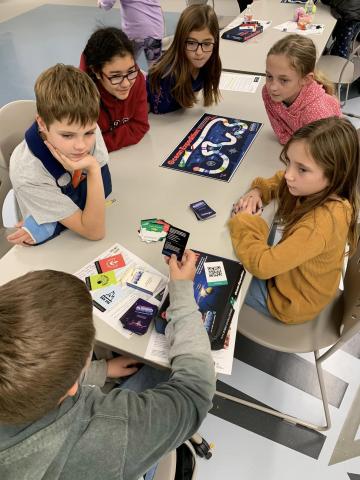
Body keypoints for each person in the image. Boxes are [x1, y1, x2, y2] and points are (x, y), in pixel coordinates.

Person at [0, 251, 216, 480]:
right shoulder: (111, 430)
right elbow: (196, 392)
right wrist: (182, 290)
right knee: (156, 371)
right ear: (72, 386)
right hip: (111, 456)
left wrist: (101, 370)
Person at [229, 117, 359, 324]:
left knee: (225, 274)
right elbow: (281, 178)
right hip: (297, 280)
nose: (289, 174)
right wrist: (258, 191)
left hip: (290, 302)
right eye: (289, 161)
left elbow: (262, 265)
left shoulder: (321, 224)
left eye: (302, 169)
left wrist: (244, 222)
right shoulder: (327, 190)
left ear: (336, 173)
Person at [7, 64, 112, 247]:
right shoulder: (27, 172)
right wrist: (93, 168)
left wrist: (91, 165)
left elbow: (104, 193)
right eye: (67, 135)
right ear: (41, 123)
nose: (81, 146)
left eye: (89, 133)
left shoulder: (85, 125)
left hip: (74, 227)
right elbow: (95, 231)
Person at [80, 27, 149, 153]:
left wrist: (100, 143)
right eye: (116, 76)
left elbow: (140, 126)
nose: (126, 83)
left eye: (130, 71)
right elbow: (81, 144)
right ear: (96, 72)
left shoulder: (137, 78)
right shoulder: (78, 95)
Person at [263, 34, 342, 145]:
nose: (272, 87)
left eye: (284, 80)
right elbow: (281, 134)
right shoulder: (268, 93)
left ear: (306, 79)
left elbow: (326, 151)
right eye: (269, 76)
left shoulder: (317, 112)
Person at [146, 4, 222, 114]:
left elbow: (188, 100)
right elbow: (155, 112)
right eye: (191, 43)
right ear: (180, 41)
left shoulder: (210, 64)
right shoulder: (167, 74)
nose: (199, 53)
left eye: (206, 43)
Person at [97, 0, 164, 67]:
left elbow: (106, 5)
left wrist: (100, 2)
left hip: (135, 31)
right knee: (155, 68)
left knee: (125, 65)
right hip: (155, 27)